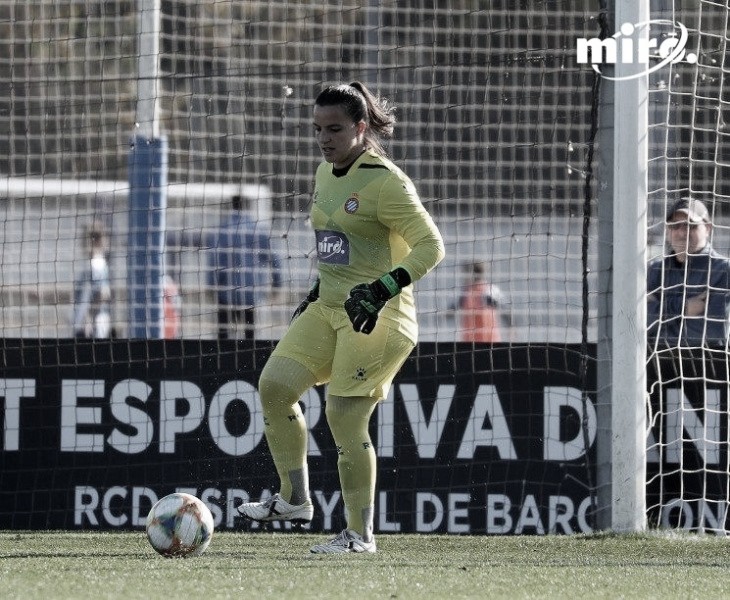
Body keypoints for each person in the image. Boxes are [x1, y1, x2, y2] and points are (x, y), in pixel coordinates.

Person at [236, 81, 445, 553]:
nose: (324, 139)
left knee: (344, 416)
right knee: (275, 386)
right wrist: (315, 290)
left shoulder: (386, 182)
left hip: (379, 316)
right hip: (329, 306)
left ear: (361, 127)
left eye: (334, 129)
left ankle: (359, 536)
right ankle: (294, 500)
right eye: (317, 129)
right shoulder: (325, 173)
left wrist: (381, 288)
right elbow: (337, 245)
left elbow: (433, 247)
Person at [647, 198, 730, 347]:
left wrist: (659, 314)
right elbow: (638, 322)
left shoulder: (723, 270)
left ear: (708, 228)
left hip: (707, 365)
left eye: (691, 226)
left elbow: (709, 333)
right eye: (675, 226)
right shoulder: (655, 270)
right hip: (656, 366)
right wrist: (683, 308)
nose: (682, 232)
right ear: (667, 230)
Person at [207, 194, 282, 339]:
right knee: (249, 336)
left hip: (226, 292)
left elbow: (214, 260)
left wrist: (211, 284)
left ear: (232, 205)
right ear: (248, 206)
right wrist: (277, 283)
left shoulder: (221, 230)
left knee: (222, 336)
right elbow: (274, 258)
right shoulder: (257, 230)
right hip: (250, 292)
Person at [72, 221, 113, 339]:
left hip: (91, 327)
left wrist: (88, 318)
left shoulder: (95, 264)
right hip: (92, 324)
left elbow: (104, 293)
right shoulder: (98, 263)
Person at [456, 261, 506, 342]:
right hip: (476, 339)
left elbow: (505, 311)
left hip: (484, 340)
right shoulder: (466, 291)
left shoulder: (488, 291)